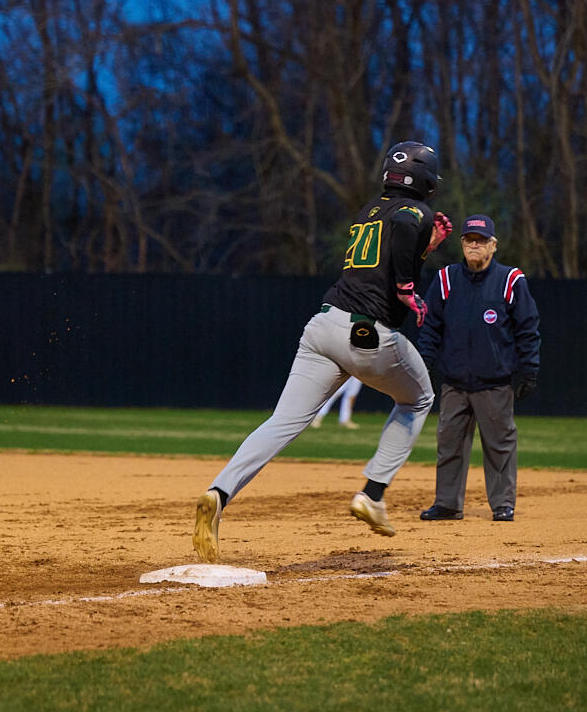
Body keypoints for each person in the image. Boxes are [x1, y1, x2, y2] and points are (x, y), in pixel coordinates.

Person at [193, 141, 455, 562]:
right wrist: (408, 287)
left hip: (323, 325)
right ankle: (373, 492)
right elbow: (407, 230)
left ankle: (219, 491)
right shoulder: (415, 212)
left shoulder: (370, 211)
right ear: (425, 179)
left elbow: (386, 255)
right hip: (366, 333)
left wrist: (425, 250)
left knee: (283, 422)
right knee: (418, 398)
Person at [416, 214, 540, 522]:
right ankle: (447, 503)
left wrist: (529, 369)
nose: (475, 245)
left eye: (481, 240)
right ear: (462, 244)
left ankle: (502, 504)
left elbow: (528, 328)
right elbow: (430, 326)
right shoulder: (446, 279)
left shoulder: (511, 280)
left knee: (500, 446)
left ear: (493, 245)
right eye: (469, 239)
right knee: (449, 444)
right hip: (454, 382)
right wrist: (425, 364)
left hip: (494, 381)